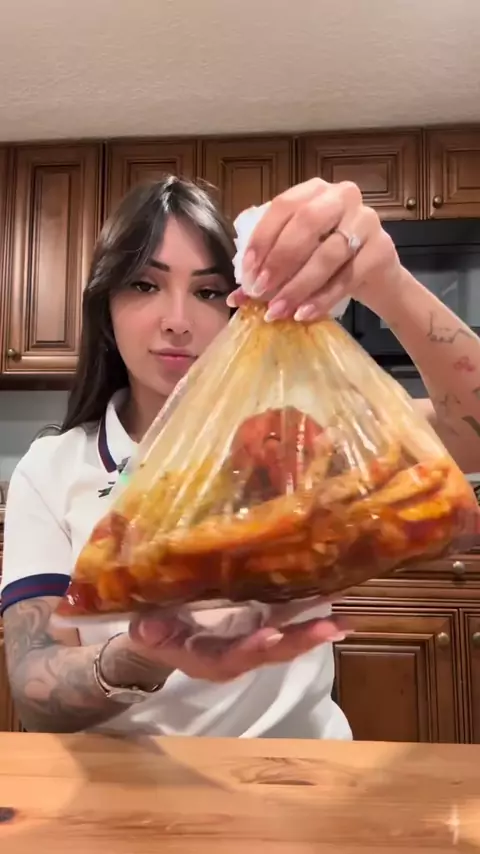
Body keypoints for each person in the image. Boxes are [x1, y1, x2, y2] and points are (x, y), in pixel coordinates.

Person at [2, 176, 480, 737]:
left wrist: (388, 283)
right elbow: (34, 688)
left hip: (302, 769)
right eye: (144, 285)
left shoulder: (295, 443)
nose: (177, 319)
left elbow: (469, 433)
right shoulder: (53, 470)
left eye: (208, 292)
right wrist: (142, 655)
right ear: (106, 307)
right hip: (129, 782)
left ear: (237, 304)